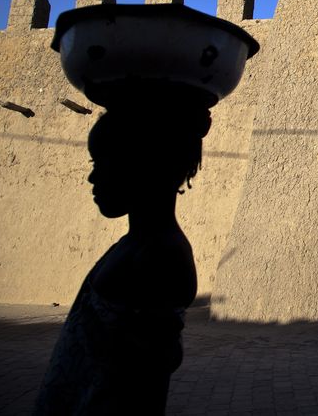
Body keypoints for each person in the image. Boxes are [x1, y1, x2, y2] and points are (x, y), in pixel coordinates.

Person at [35, 96, 211, 415]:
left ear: (146, 167)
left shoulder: (160, 255)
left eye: (104, 163)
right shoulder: (137, 245)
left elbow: (148, 381)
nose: (92, 178)